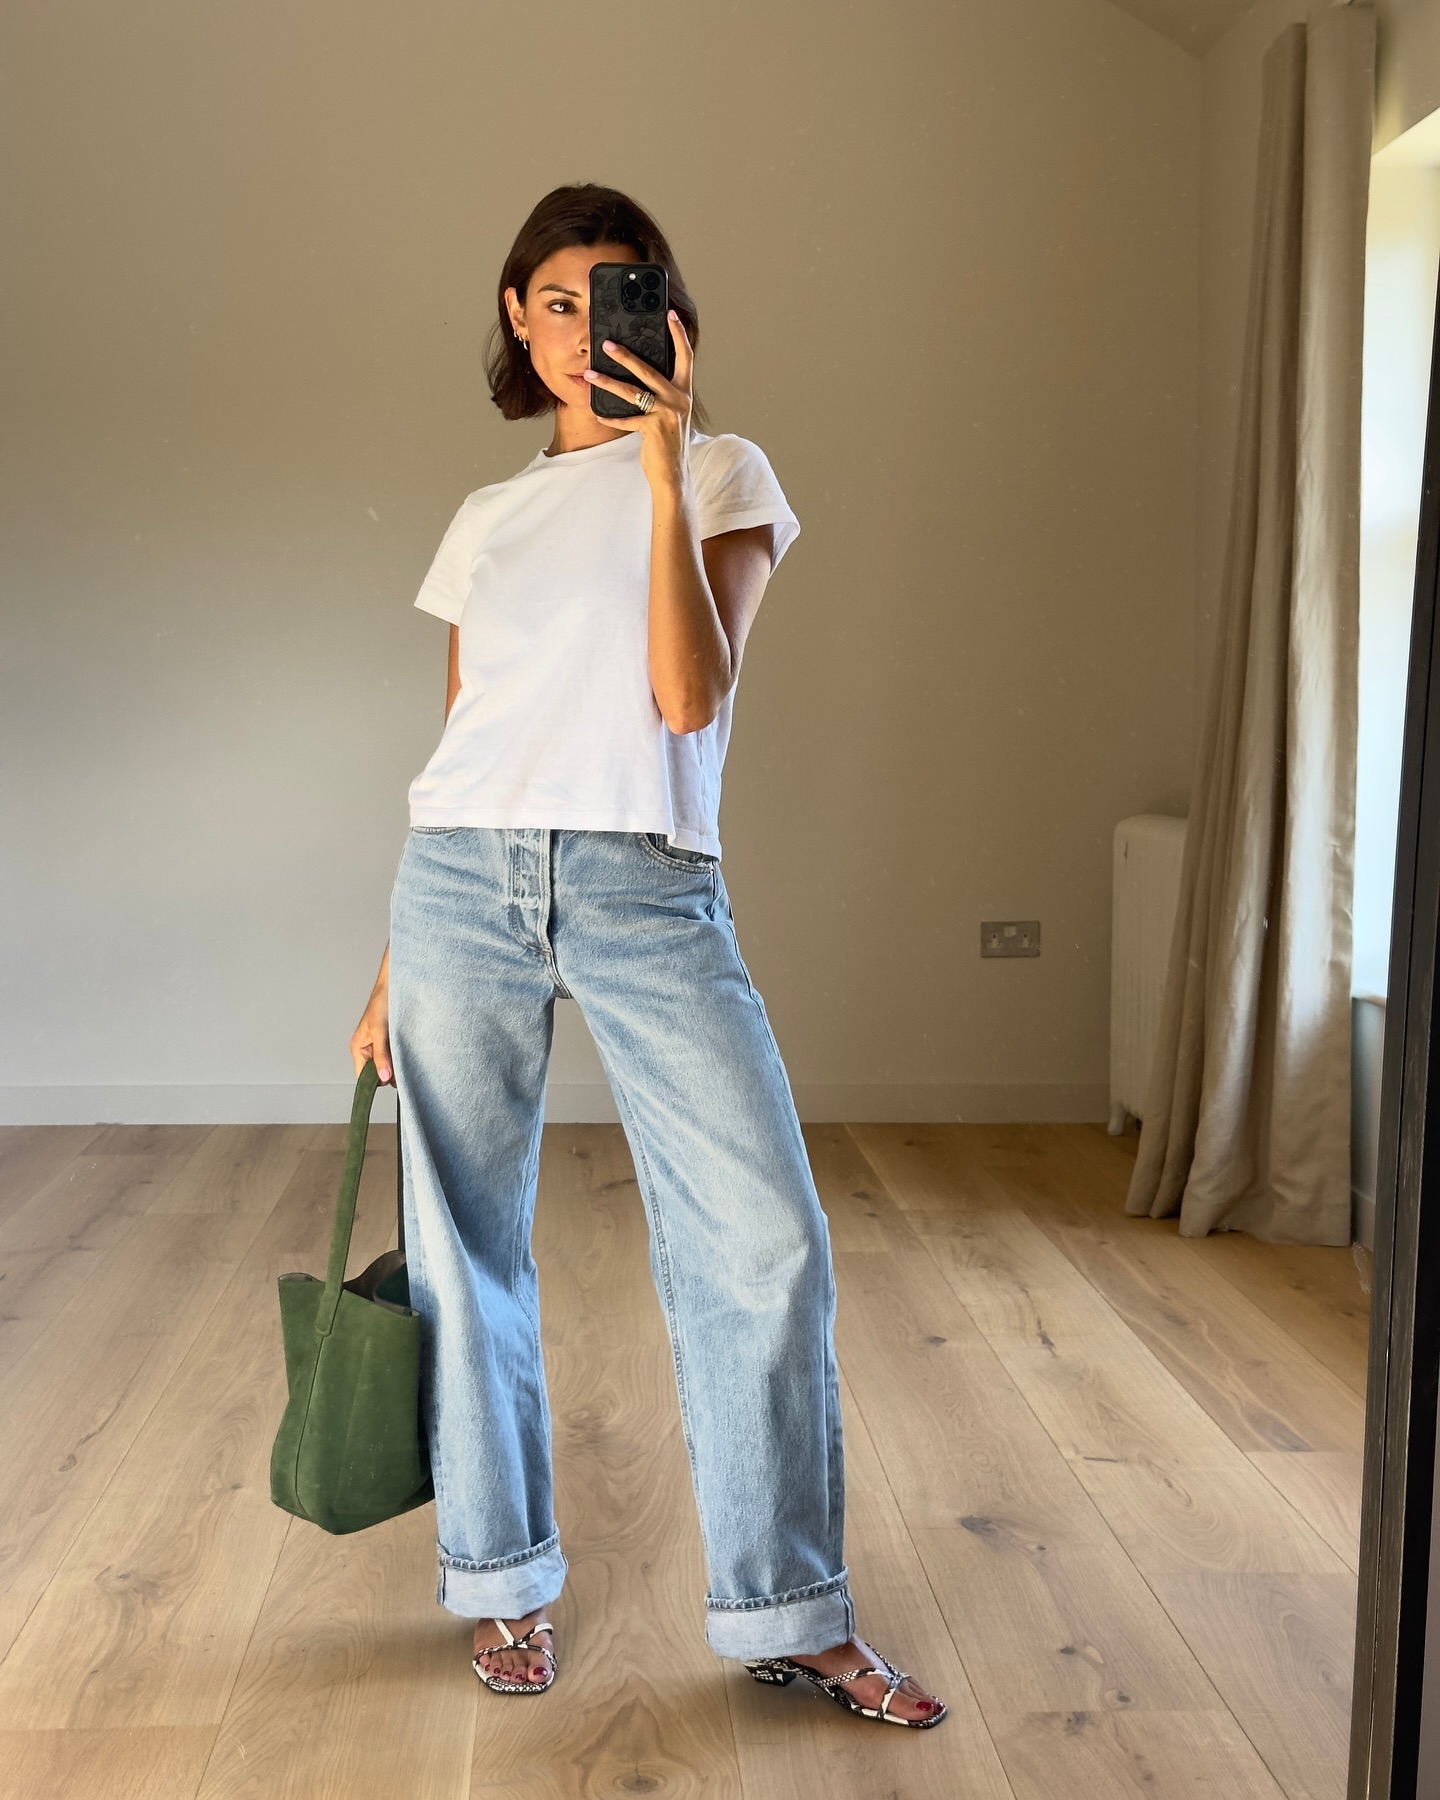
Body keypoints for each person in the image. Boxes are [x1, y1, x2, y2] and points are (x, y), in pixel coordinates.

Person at [350, 183, 946, 1730]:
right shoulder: (484, 519)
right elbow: (464, 735)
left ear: (664, 320)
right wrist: (386, 962)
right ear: (515, 317)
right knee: (460, 1247)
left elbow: (689, 699)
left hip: (643, 879)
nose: (577, 328)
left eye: (612, 297)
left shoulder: (728, 471)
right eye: (552, 299)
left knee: (765, 1240)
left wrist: (668, 463)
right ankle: (501, 1583)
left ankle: (790, 1610)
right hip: (461, 880)